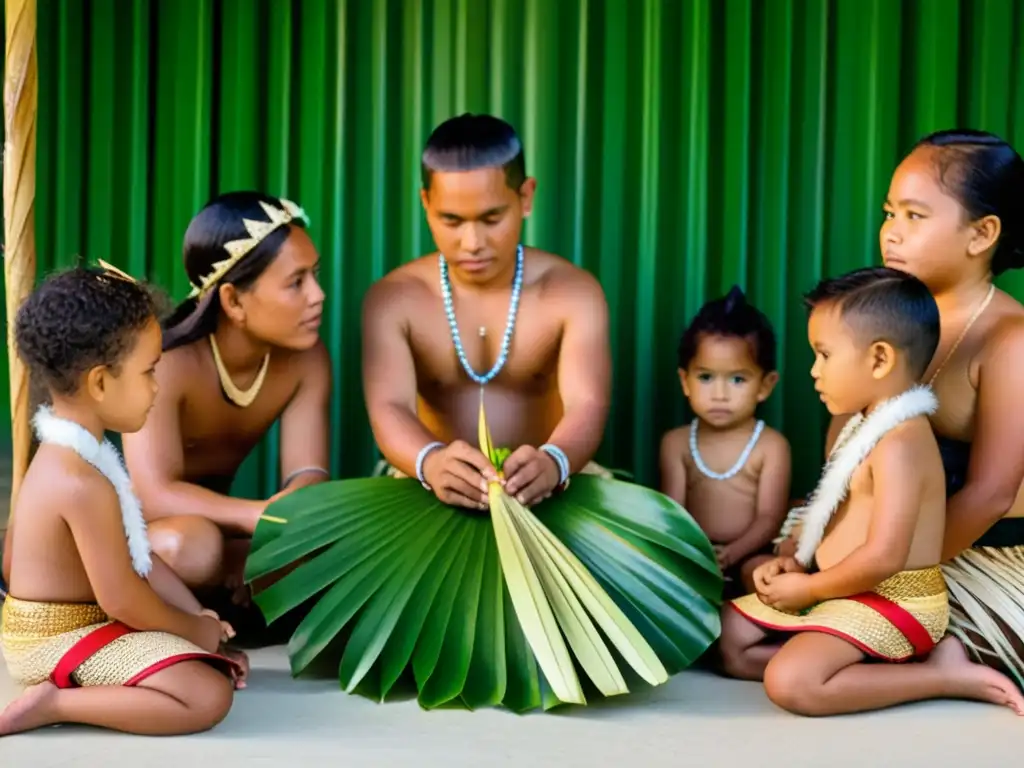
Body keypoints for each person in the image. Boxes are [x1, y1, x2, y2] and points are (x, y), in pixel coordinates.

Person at [248, 113, 723, 711]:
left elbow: (587, 402)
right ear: (425, 204)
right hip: (422, 493)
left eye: (490, 219)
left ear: (525, 198)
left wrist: (554, 460)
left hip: (553, 493)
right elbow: (389, 406)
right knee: (323, 597)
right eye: (451, 220)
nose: (471, 242)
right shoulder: (395, 297)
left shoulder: (572, 290)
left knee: (642, 602)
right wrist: (427, 459)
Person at [779, 130, 1024, 692]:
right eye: (890, 213)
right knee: (749, 619)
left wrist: (879, 576)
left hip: (970, 554)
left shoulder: (1008, 340)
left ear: (982, 233)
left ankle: (948, 667)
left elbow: (992, 494)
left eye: (915, 216)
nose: (891, 231)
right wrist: (820, 553)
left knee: (808, 650)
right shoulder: (889, 317)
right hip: (881, 540)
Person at [720, 266, 1024, 716]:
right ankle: (851, 666)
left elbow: (884, 557)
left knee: (791, 683)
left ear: (879, 359)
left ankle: (939, 675)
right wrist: (793, 559)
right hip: (844, 584)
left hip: (895, 599)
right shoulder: (865, 424)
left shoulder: (902, 444)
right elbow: (836, 514)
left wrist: (809, 590)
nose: (813, 371)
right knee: (732, 639)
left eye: (824, 355)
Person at [0, 266, 246, 737]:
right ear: (99, 383)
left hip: (91, 625)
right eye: (149, 371)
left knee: (209, 673)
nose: (157, 387)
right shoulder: (77, 480)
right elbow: (124, 599)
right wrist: (195, 635)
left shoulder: (85, 457)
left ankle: (79, 693)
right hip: (55, 640)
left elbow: (140, 557)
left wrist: (199, 621)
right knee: (206, 697)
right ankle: (55, 704)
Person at [120, 192, 331, 622]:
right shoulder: (166, 365)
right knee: (193, 547)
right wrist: (259, 517)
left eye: (315, 275)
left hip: (226, 533)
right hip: (143, 535)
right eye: (296, 282)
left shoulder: (306, 360)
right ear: (233, 301)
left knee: (329, 551)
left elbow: (307, 473)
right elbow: (154, 494)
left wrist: (288, 515)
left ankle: (219, 595)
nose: (318, 295)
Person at [659, 285, 791, 596]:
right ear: (685, 381)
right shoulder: (676, 443)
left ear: (765, 385)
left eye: (737, 379)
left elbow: (769, 518)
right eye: (705, 377)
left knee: (763, 575)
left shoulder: (771, 446)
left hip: (750, 552)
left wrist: (732, 553)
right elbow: (673, 512)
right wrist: (693, 554)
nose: (720, 394)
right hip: (692, 553)